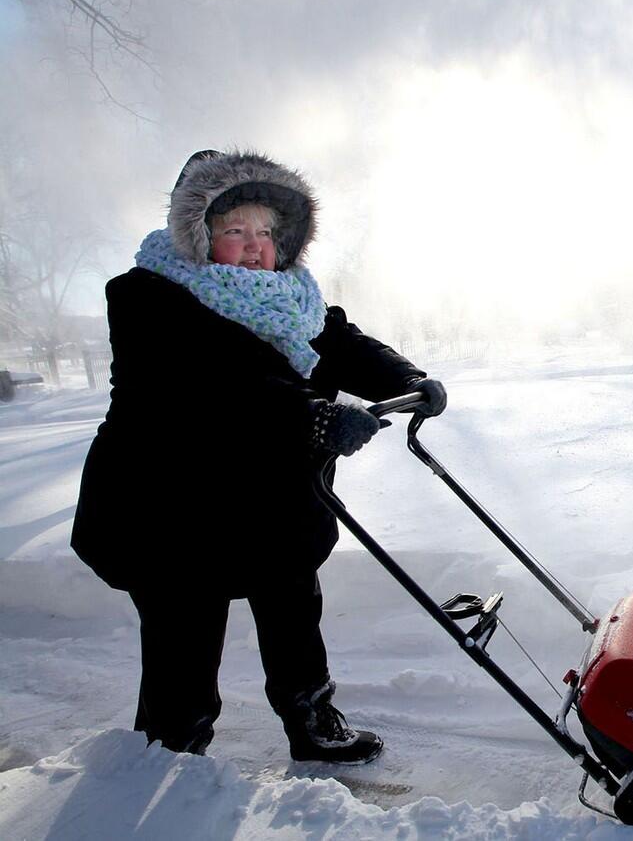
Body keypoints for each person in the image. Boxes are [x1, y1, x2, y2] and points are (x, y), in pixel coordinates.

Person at [71, 149, 447, 764]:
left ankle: (313, 722)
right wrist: (314, 416)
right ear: (196, 234)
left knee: (294, 607)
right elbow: (206, 387)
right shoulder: (146, 297)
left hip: (269, 497)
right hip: (168, 505)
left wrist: (410, 380)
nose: (254, 246)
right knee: (184, 632)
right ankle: (167, 753)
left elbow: (342, 343)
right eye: (235, 231)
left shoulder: (290, 296)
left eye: (266, 232)